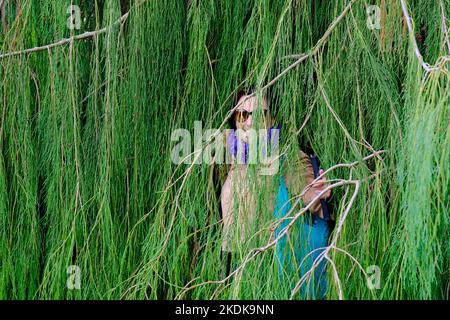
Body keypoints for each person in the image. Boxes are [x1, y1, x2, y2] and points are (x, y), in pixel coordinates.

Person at [220, 91, 332, 299]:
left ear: (273, 119)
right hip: (239, 266)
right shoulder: (234, 157)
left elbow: (307, 194)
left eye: (259, 115)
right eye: (242, 115)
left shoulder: (287, 157)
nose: (249, 122)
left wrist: (318, 194)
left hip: (271, 266)